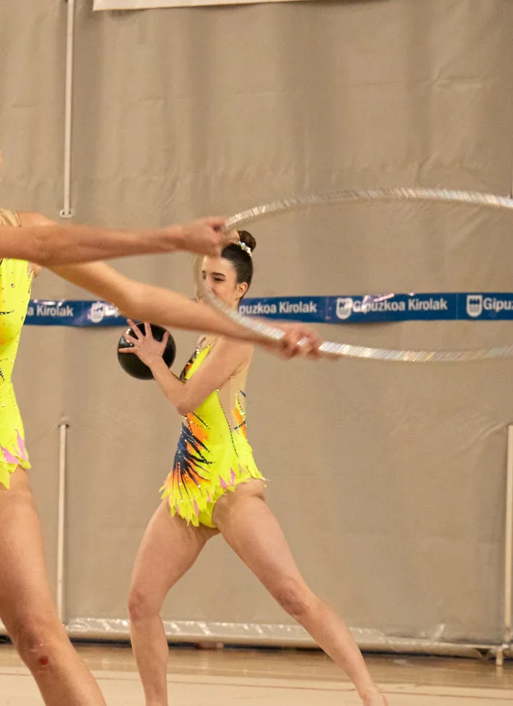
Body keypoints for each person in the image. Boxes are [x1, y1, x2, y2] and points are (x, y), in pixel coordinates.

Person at [0, 105, 323, 705]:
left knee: (41, 638)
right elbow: (37, 244)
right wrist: (168, 238)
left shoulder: (26, 230)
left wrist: (261, 333)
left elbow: (134, 296)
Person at [120, 232, 387, 706]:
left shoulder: (233, 338)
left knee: (294, 597)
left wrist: (153, 361)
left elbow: (185, 400)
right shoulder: (206, 328)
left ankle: (371, 695)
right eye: (204, 276)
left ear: (240, 289)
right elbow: (163, 305)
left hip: (231, 487)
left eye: (219, 280)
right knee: (141, 604)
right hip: (188, 490)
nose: (207, 286)